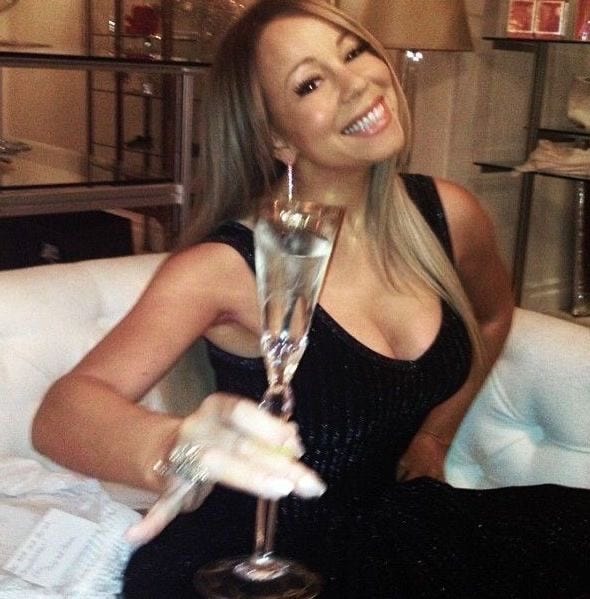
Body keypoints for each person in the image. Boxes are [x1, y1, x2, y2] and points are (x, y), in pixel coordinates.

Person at [31, 0, 590, 597]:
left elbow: (492, 315)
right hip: (254, 558)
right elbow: (63, 413)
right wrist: (174, 449)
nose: (357, 83)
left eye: (354, 53)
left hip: (395, 527)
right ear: (277, 136)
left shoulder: (449, 216)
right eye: (311, 83)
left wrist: (435, 436)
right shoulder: (232, 264)